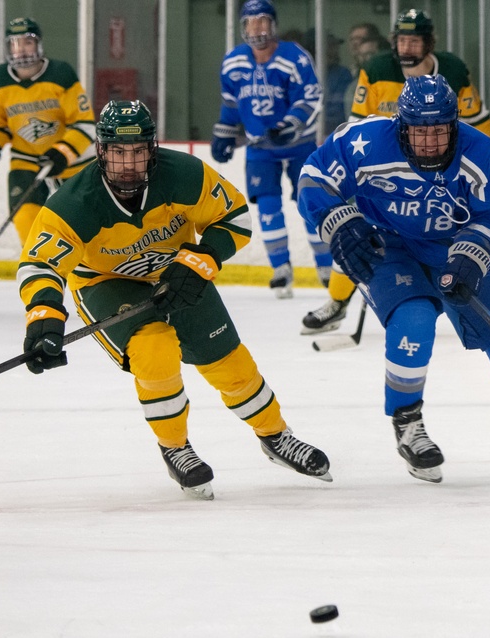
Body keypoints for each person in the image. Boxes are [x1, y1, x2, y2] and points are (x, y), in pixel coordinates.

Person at [18, 100, 332, 500]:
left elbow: (234, 217)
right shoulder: (74, 202)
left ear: (152, 149)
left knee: (229, 362)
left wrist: (200, 258)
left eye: (137, 152)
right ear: (101, 151)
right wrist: (43, 316)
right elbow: (40, 264)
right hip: (106, 282)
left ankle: (275, 436)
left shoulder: (184, 174)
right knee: (154, 349)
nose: (128, 163)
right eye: (118, 152)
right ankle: (175, 446)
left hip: (177, 273)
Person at [297, 75, 490, 483]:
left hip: (453, 248)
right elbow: (314, 176)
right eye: (420, 132)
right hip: (386, 244)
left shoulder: (481, 154)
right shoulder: (365, 141)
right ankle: (408, 423)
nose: (431, 143)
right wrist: (337, 219)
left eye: (439, 131)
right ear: (401, 126)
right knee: (413, 318)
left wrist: (470, 259)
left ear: (453, 125)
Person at [303, 8, 490, 335]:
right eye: (401, 40)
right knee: (354, 236)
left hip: (437, 165)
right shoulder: (376, 69)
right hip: (382, 171)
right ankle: (337, 301)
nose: (406, 48)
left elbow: (473, 119)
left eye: (414, 41)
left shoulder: (454, 71)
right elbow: (360, 124)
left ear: (428, 42)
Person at [211, 0, 331, 299]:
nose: (257, 28)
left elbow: (311, 96)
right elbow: (230, 104)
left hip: (299, 145)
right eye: (251, 22)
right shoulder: (233, 62)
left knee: (310, 204)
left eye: (263, 21)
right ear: (242, 27)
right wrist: (224, 134)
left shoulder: (294, 57)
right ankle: (281, 268)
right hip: (259, 148)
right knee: (267, 206)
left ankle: (326, 267)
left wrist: (290, 125)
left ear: (274, 25)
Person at [0, 17, 96, 246]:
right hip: (26, 161)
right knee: (25, 218)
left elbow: (84, 123)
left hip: (72, 162)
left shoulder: (61, 74)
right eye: (15, 44)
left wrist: (62, 152)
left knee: (84, 226)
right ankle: (40, 270)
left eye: (27, 42)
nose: (21, 49)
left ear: (39, 45)